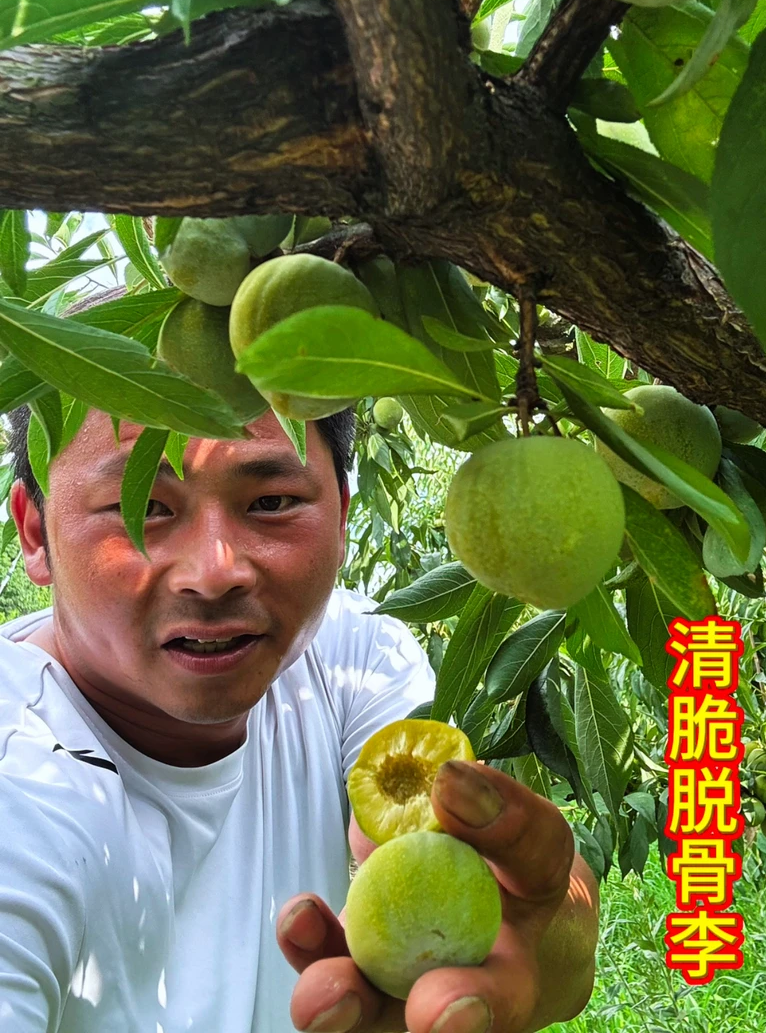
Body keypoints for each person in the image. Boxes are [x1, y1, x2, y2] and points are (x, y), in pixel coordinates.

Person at [0, 312, 600, 1033]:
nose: (214, 572)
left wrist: (534, 927)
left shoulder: (352, 655)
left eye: (271, 503)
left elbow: (541, 928)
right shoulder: (20, 779)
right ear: (34, 531)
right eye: (144, 508)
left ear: (342, 515)